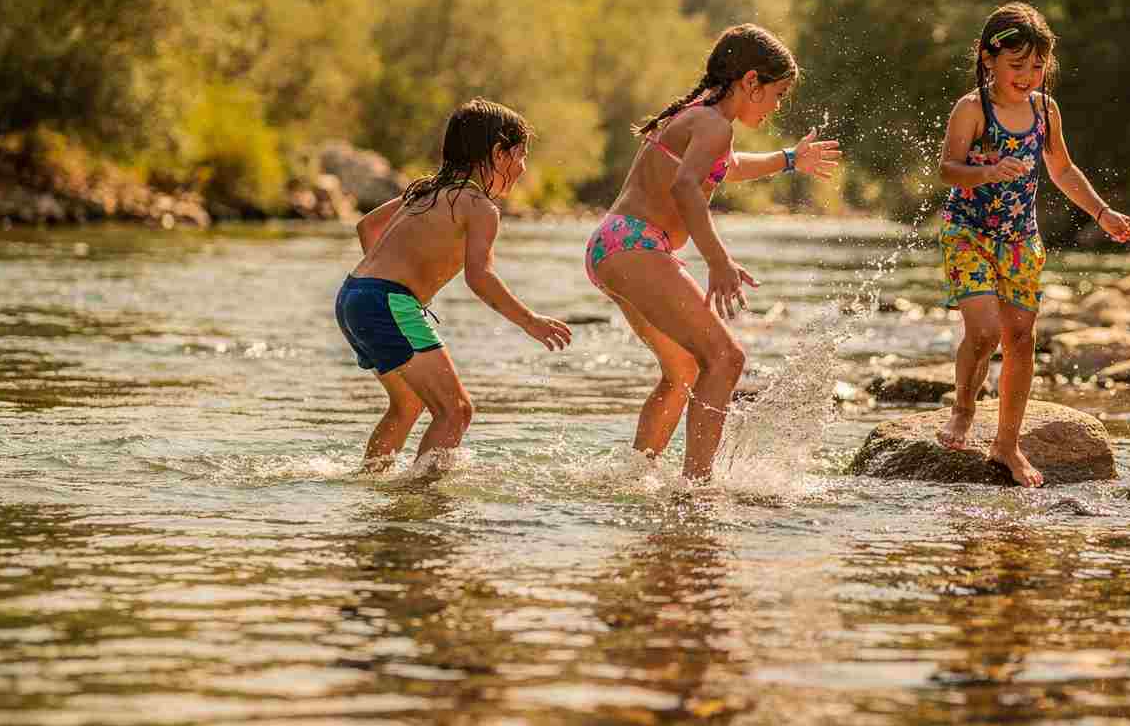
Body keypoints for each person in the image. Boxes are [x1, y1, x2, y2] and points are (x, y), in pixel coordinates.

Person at [585, 24, 838, 479]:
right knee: (726, 359)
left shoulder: (700, 115)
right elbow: (687, 186)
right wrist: (718, 261)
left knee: (683, 370)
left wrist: (788, 159)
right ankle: (696, 488)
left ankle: (635, 476)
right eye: (778, 93)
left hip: (615, 244)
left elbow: (726, 168)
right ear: (751, 82)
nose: (779, 106)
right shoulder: (714, 124)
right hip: (636, 246)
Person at [935, 2, 1130, 486]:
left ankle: (1006, 444)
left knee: (1021, 340)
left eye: (1037, 65)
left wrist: (1102, 212)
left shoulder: (1045, 110)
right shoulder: (972, 109)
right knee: (983, 332)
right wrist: (986, 171)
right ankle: (963, 407)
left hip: (1021, 239)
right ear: (989, 59)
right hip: (969, 233)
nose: (1028, 75)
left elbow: (1063, 169)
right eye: (1017, 65)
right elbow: (947, 168)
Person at [337, 98, 573, 480]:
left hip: (353, 295)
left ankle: (371, 482)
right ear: (498, 153)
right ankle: (418, 505)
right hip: (388, 302)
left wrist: (389, 277)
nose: (524, 166)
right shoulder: (480, 207)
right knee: (456, 411)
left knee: (408, 404)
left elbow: (366, 227)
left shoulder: (425, 191)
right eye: (521, 154)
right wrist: (530, 321)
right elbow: (479, 276)